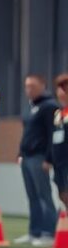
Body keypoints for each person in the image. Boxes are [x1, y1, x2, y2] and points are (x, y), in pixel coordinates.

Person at [16, 74, 59, 246]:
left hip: (40, 157)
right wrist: (20, 153)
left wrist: (49, 158)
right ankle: (34, 231)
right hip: (26, 157)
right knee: (32, 195)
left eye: (32, 86)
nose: (29, 90)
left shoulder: (49, 106)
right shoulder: (30, 107)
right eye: (26, 86)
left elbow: (52, 134)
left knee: (44, 195)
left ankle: (49, 232)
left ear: (43, 85)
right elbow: (26, 134)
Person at [53, 74, 68, 210]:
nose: (61, 93)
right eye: (59, 89)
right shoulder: (58, 114)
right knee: (62, 194)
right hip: (59, 162)